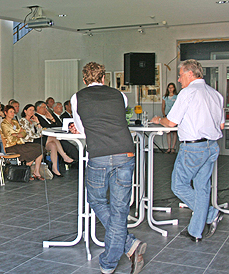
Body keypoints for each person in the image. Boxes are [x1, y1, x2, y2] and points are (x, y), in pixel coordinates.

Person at [71, 62, 146, 274]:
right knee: (120, 208)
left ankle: (119, 255)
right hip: (125, 152)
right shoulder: (120, 96)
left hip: (99, 154)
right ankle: (123, 249)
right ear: (104, 78)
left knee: (96, 200)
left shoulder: (77, 98)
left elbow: (85, 130)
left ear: (84, 80)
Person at [151, 59, 225, 242]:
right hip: (212, 146)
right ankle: (195, 231)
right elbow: (221, 124)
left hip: (193, 148)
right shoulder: (216, 94)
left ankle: (210, 213)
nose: (178, 78)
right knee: (202, 187)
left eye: (181, 74)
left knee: (178, 185)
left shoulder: (188, 92)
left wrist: (157, 120)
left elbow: (171, 122)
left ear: (191, 74)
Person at [19, 104, 73, 177]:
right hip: (29, 140)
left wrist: (37, 122)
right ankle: (64, 156)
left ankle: (55, 168)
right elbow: (30, 134)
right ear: (25, 111)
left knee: (53, 145)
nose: (32, 112)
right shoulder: (23, 120)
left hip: (37, 139)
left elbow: (40, 131)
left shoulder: (33, 120)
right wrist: (40, 135)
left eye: (33, 110)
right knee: (53, 137)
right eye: (30, 110)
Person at [1, 105, 44, 180]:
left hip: (19, 144)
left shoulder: (14, 122)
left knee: (40, 147)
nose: (12, 113)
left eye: (13, 112)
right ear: (5, 113)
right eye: (10, 112)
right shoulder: (4, 124)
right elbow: (10, 138)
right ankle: (27, 169)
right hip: (11, 146)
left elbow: (24, 133)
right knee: (36, 149)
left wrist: (17, 134)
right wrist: (19, 134)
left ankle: (35, 171)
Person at [161, 83, 178, 153]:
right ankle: (169, 147)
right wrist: (164, 114)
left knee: (174, 132)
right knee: (168, 132)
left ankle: (173, 147)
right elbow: (163, 106)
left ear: (174, 88)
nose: (170, 89)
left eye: (172, 87)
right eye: (169, 87)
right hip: (167, 115)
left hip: (174, 116)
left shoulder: (176, 97)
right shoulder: (165, 97)